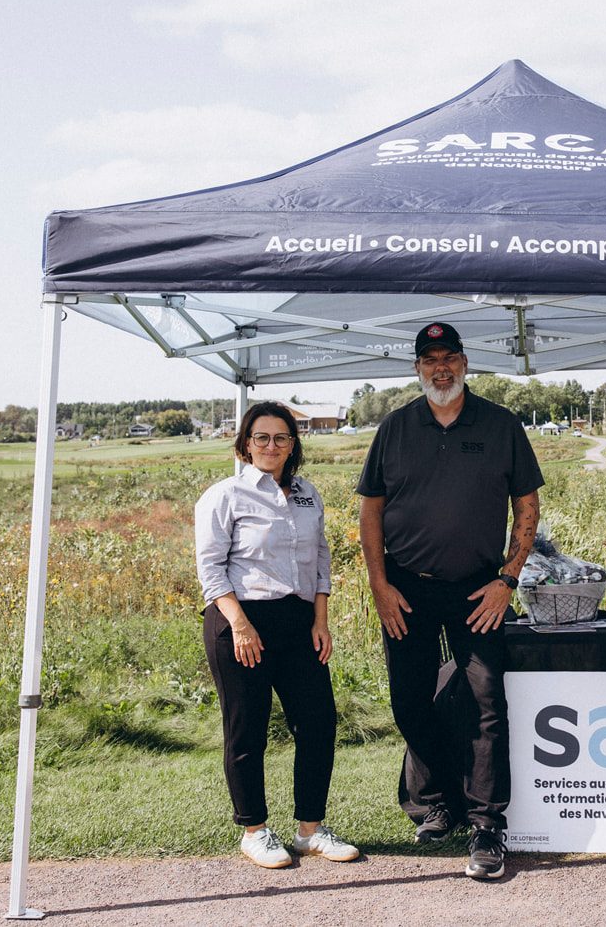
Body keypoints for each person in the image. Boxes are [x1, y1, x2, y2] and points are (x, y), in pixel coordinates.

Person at [357, 321, 543, 881]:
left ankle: (486, 825)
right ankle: (436, 802)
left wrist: (508, 579)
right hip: (406, 588)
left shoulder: (501, 424)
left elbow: (527, 506)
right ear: (417, 368)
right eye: (430, 360)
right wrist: (379, 584)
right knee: (410, 702)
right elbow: (370, 511)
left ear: (465, 363)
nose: (441, 369)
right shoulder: (394, 428)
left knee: (486, 703)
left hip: (478, 589)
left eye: (450, 358)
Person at [194, 400, 359, 870]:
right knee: (247, 728)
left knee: (318, 722)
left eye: (281, 437)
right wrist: (240, 624)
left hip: (299, 620)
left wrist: (321, 620)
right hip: (240, 621)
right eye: (262, 437)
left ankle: (310, 831)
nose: (271, 445)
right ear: (246, 444)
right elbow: (211, 569)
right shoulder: (225, 495)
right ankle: (255, 831)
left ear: (293, 444)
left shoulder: (308, 494)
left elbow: (320, 559)